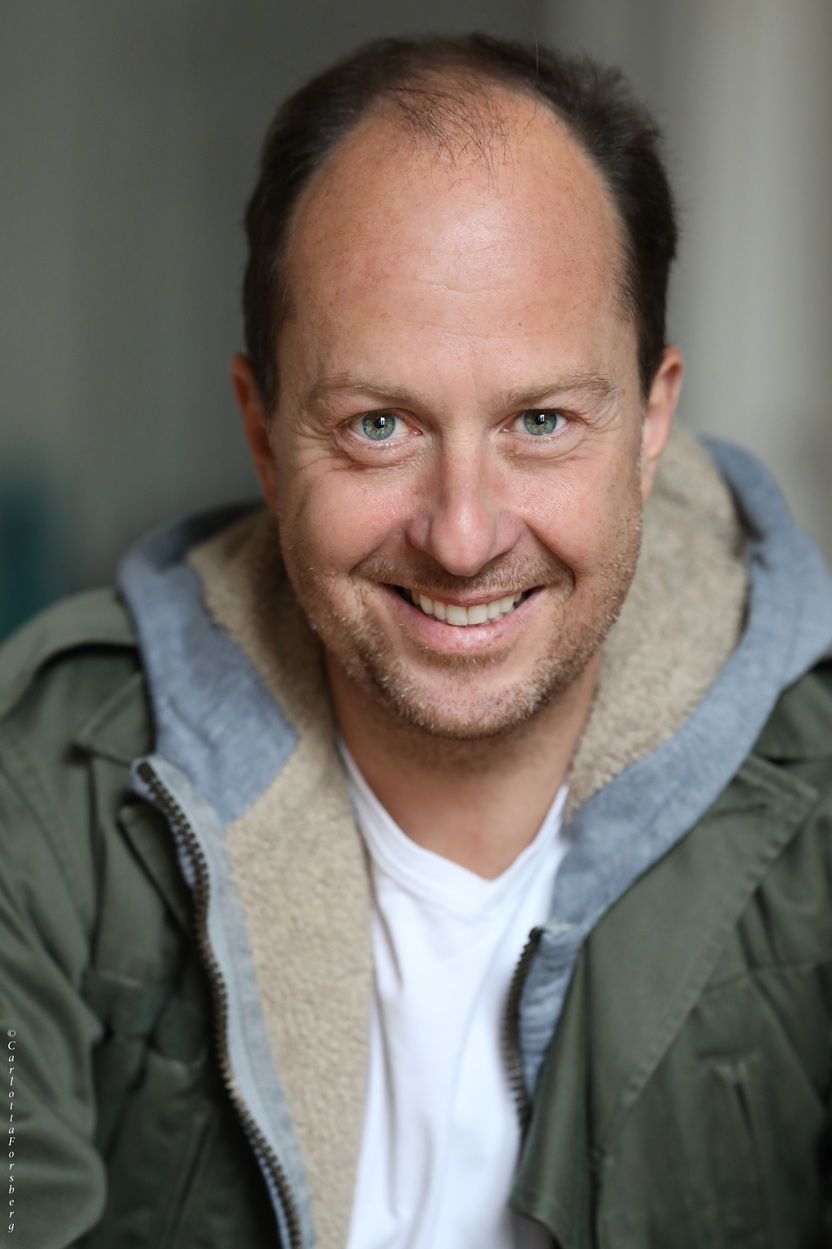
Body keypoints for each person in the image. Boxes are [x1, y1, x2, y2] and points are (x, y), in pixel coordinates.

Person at [2, 32, 831, 1249]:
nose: (461, 535)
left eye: (540, 421)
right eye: (379, 425)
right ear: (263, 432)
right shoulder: (37, 790)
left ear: (651, 423)